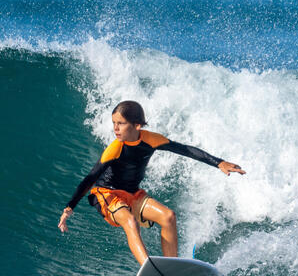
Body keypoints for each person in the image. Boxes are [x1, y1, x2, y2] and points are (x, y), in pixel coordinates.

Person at [58, 101, 245, 265]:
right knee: (130, 221)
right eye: (114, 123)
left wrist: (219, 162)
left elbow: (185, 150)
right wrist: (69, 208)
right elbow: (90, 179)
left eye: (121, 123)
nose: (115, 128)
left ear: (137, 125)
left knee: (168, 217)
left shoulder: (151, 140)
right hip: (107, 195)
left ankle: (171, 267)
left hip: (133, 194)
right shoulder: (114, 148)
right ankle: (149, 268)